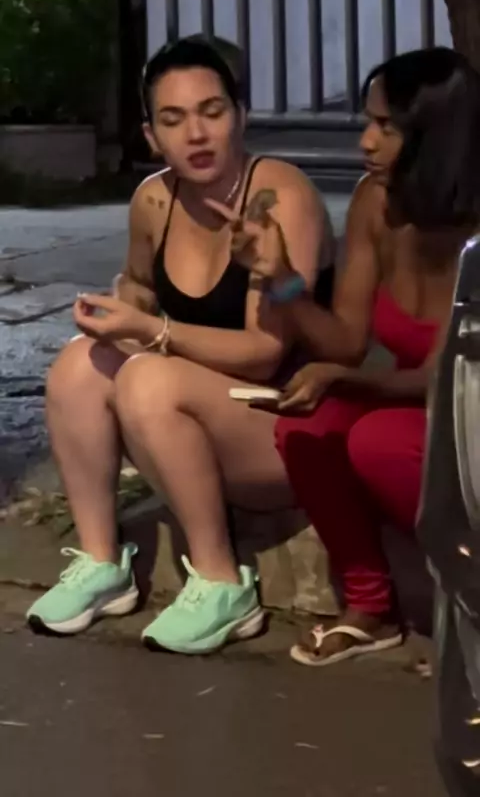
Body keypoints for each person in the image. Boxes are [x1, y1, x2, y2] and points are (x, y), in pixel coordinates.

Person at [26, 36, 335, 653]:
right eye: (173, 119)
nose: (196, 134)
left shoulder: (279, 196)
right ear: (151, 135)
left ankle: (223, 582)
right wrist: (120, 311)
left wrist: (154, 334)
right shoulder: (154, 199)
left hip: (285, 424)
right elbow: (140, 285)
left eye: (211, 112)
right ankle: (102, 563)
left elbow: (265, 352)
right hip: (199, 409)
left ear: (240, 115)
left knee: (148, 377)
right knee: (78, 365)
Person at [225, 47, 480, 666]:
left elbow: (445, 378)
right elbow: (345, 340)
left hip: (468, 410)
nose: (365, 139)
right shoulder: (374, 200)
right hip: (427, 400)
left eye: (385, 126)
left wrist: (344, 378)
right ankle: (370, 607)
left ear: (438, 135)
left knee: (379, 441)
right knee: (306, 426)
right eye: (368, 121)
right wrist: (281, 276)